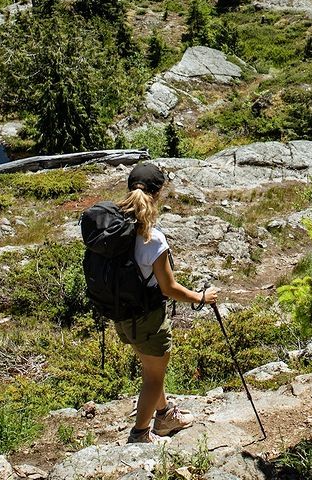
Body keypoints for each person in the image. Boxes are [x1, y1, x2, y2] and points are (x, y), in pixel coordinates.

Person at [114, 162, 219, 444]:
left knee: (151, 368)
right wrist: (201, 298)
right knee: (154, 378)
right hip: (147, 317)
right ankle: (140, 435)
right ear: (158, 193)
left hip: (122, 315)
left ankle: (164, 416)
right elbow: (169, 288)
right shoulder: (152, 239)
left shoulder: (115, 230)